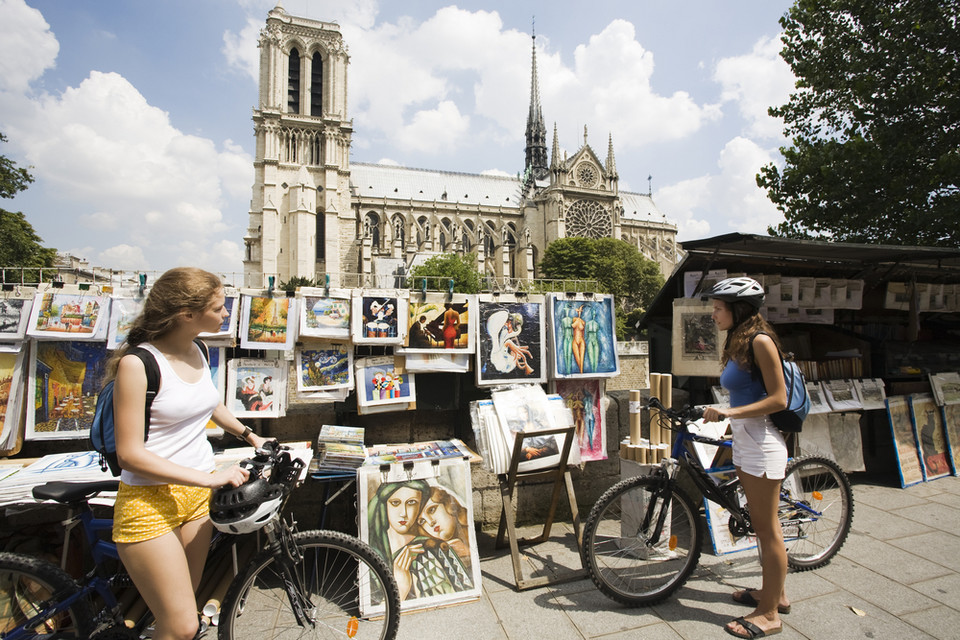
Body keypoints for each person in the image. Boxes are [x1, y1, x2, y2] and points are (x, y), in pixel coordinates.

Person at [110, 267, 270, 640]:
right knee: (183, 626)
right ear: (187, 314)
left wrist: (251, 436)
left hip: (196, 499)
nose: (226, 313)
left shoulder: (198, 348)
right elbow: (129, 455)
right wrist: (211, 477)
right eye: (219, 307)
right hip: (149, 501)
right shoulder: (138, 364)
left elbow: (208, 404)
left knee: (179, 617)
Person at [700, 277, 790, 639]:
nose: (713, 313)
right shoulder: (739, 341)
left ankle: (769, 614)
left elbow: (779, 398)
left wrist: (729, 414)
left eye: (719, 308)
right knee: (763, 524)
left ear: (738, 310)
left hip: (763, 442)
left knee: (768, 530)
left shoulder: (761, 341)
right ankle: (776, 595)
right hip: (746, 440)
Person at [417, 485, 474, 571]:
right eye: (422, 521)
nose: (430, 522)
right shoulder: (431, 557)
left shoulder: (469, 538)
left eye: (432, 510)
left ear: (448, 505)